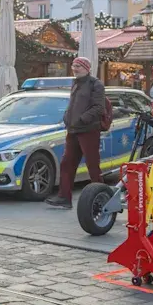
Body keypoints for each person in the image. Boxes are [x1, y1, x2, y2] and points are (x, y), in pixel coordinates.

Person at [46, 56, 105, 209]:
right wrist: (67, 116)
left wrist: (82, 119)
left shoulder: (95, 84)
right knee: (67, 164)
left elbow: (99, 107)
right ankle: (64, 197)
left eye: (78, 66)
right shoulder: (75, 83)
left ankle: (100, 197)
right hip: (73, 130)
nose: (74, 68)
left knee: (92, 165)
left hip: (88, 130)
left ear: (86, 68)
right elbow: (73, 104)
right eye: (73, 65)